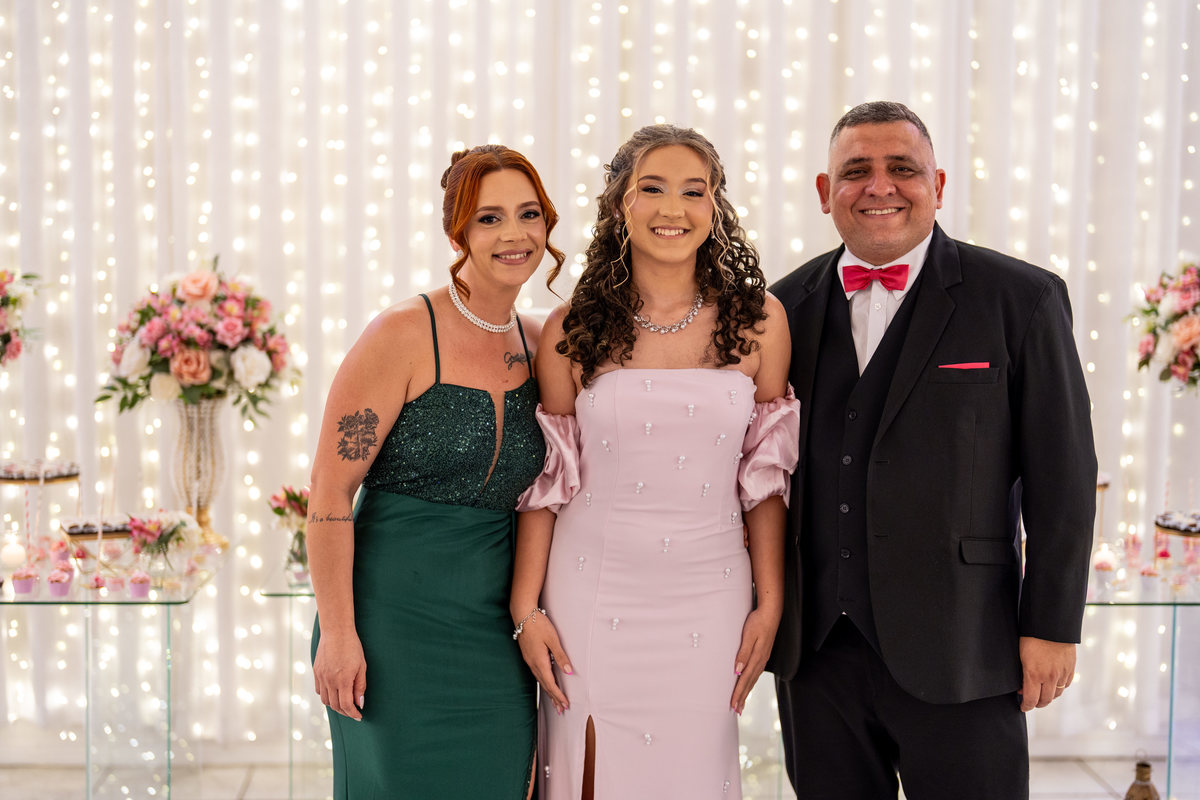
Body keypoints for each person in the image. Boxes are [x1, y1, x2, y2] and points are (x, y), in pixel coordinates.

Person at [768, 101, 1097, 799]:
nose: (879, 186)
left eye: (902, 168)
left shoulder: (1022, 298)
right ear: (825, 191)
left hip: (965, 646)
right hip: (817, 655)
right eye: (856, 171)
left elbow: (1063, 480)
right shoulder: (780, 308)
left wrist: (1051, 626)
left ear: (938, 185)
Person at [511, 124, 799, 800]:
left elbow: (765, 481)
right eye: (653, 188)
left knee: (693, 770)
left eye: (694, 191)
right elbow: (550, 483)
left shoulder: (761, 320)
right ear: (621, 205)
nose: (675, 208)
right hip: (592, 588)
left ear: (715, 205)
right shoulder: (572, 327)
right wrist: (526, 606)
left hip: (710, 591)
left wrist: (771, 601)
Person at [306, 144, 565, 798]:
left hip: (494, 631)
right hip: (389, 623)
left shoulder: (542, 345)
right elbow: (330, 493)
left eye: (529, 214)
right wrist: (338, 633)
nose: (514, 234)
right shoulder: (401, 334)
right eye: (489, 218)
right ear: (458, 232)